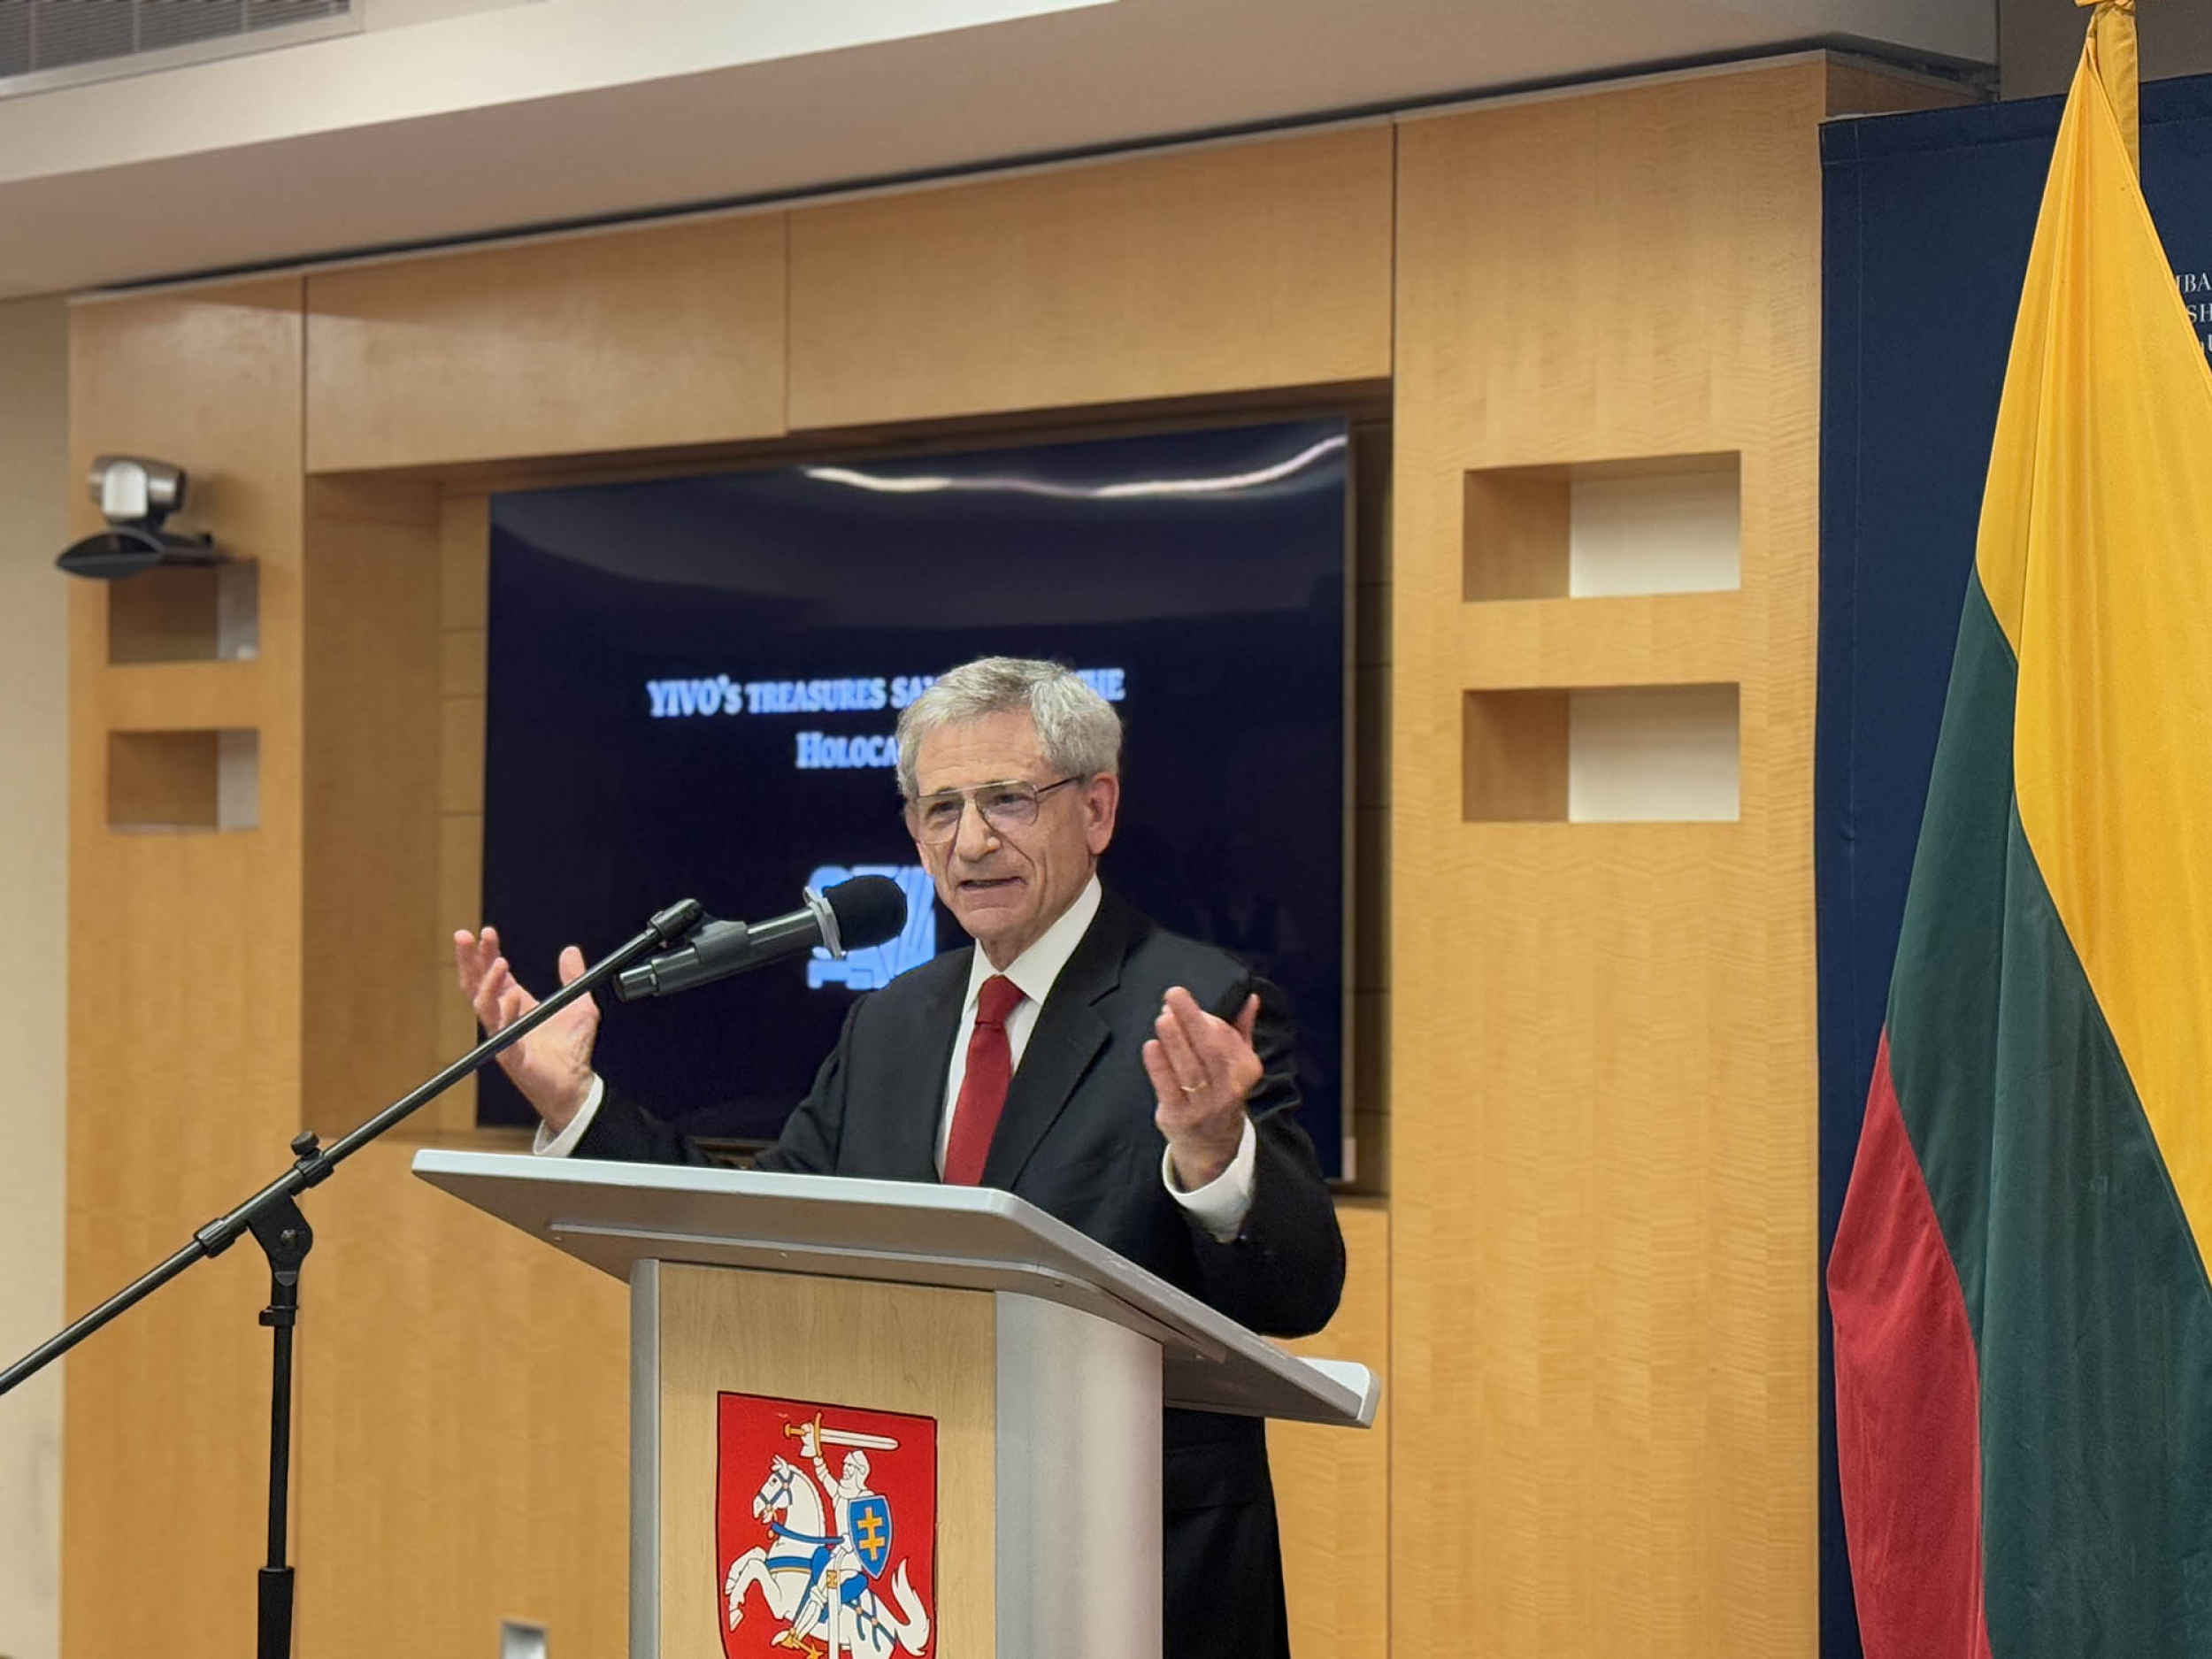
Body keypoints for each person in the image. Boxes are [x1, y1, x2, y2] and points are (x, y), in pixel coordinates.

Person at [455, 656, 1345, 1659]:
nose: (971, 842)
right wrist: (577, 1104)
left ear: (1096, 809)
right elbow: (762, 1219)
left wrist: (1216, 1151)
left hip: (1135, 1570)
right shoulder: (894, 1019)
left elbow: (1298, 1291)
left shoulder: (1198, 1007)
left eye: (1008, 800)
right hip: (910, 1554)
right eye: (940, 809)